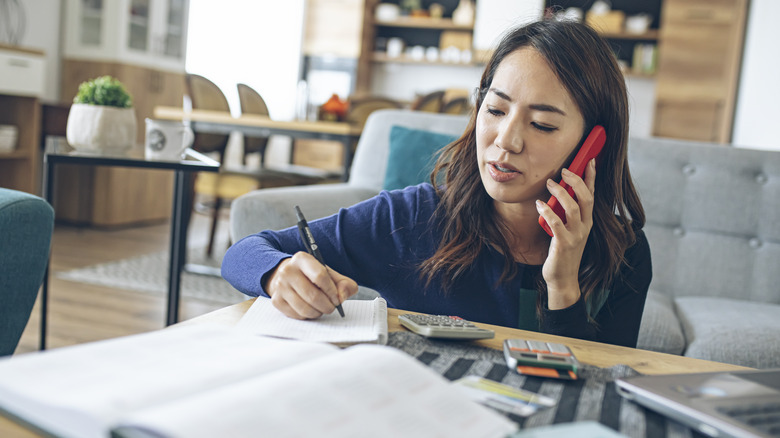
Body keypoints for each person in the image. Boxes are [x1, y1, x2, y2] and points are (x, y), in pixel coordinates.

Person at [221, 19, 652, 348]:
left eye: (541, 124)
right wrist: (278, 273)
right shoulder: (414, 217)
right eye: (496, 110)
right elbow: (245, 252)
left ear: (592, 144)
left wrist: (562, 287)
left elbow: (594, 394)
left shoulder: (625, 252)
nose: (506, 141)